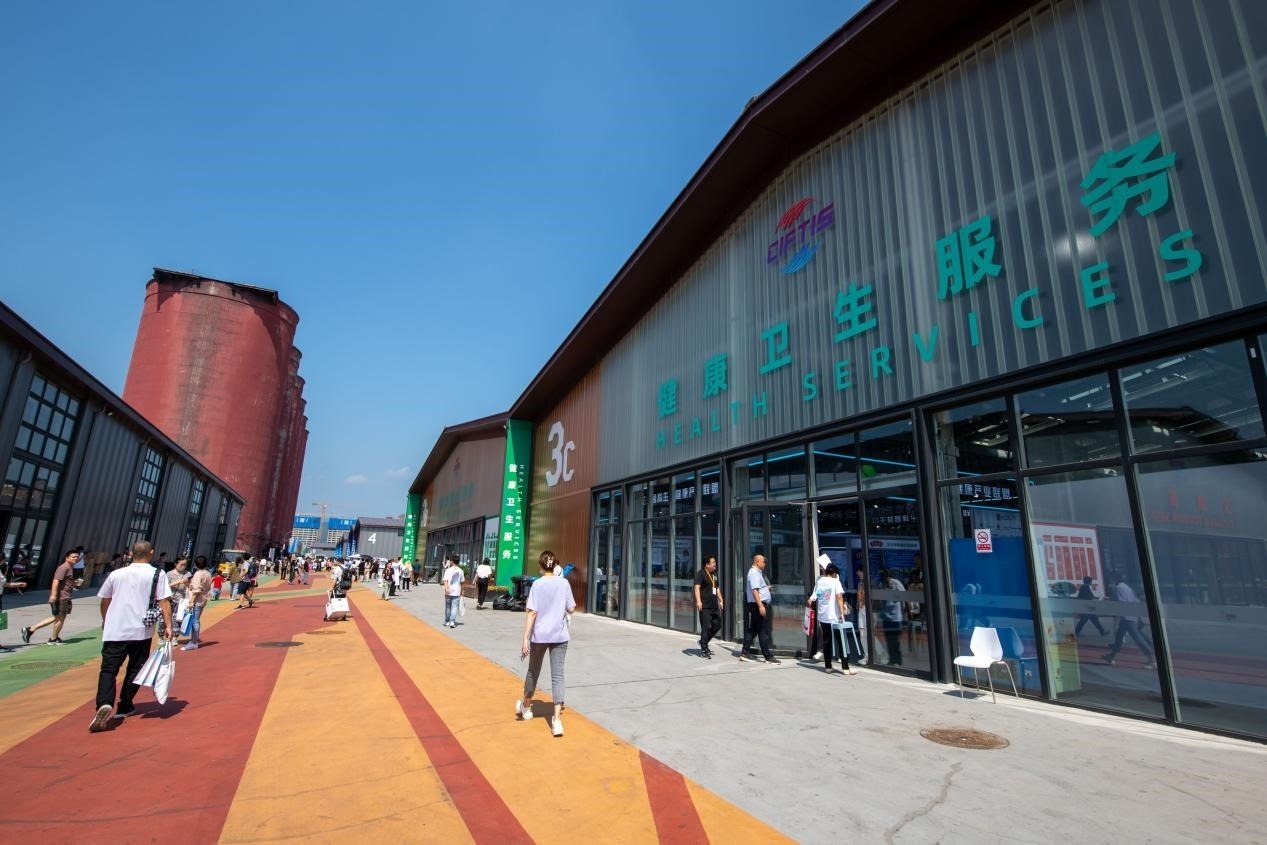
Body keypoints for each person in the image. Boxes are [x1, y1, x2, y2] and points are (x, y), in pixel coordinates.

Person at [91, 540, 173, 731]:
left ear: (130, 553)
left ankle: (104, 703)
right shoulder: (157, 574)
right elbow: (164, 601)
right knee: (135, 668)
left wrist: (106, 620)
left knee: (108, 670)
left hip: (115, 630)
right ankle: (125, 704)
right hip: (141, 631)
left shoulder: (116, 574)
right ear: (151, 553)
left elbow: (105, 601)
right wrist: (168, 626)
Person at [516, 550, 576, 737]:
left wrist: (525, 638)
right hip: (560, 635)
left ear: (541, 566)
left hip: (540, 635)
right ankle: (556, 721)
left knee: (533, 671)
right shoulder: (564, 583)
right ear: (555, 564)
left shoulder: (537, 584)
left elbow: (532, 612)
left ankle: (527, 707)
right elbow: (571, 608)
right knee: (558, 675)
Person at [21, 549, 82, 645]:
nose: (76, 558)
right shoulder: (64, 568)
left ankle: (43, 634)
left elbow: (64, 582)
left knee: (57, 617)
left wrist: (74, 583)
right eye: (73, 557)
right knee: (60, 618)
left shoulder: (69, 567)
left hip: (65, 596)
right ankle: (50, 638)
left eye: (77, 557)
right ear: (67, 558)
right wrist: (53, 595)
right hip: (62, 597)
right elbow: (56, 581)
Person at [810, 563, 856, 675]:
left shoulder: (820, 581)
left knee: (827, 640)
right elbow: (839, 597)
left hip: (823, 616)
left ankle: (828, 666)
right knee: (841, 641)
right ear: (835, 573)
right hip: (834, 616)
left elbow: (815, 595)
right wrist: (842, 613)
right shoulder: (835, 582)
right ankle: (845, 667)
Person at [1102, 572, 1155, 668]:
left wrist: (1109, 601)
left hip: (1126, 618)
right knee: (1119, 636)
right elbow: (1135, 600)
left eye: (1112, 578)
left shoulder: (1119, 588)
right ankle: (1111, 656)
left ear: (1115, 578)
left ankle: (1151, 660)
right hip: (1129, 616)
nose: (1111, 580)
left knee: (1137, 638)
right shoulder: (1126, 587)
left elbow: (1121, 602)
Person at [740, 554, 779, 664]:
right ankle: (768, 656)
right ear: (757, 562)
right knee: (763, 630)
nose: (764, 564)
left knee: (752, 630)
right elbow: (754, 590)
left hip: (756, 604)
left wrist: (766, 589)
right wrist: (761, 606)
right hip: (758, 605)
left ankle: (745, 652)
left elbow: (758, 589)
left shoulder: (756, 573)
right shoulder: (754, 573)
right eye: (763, 562)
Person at [693, 554, 723, 658]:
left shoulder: (714, 574)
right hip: (705, 605)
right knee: (705, 627)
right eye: (713, 562)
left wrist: (721, 600)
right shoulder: (701, 574)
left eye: (715, 562)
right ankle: (704, 649)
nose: (715, 564)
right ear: (707, 564)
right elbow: (697, 588)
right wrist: (698, 601)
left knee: (717, 625)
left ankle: (703, 641)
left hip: (714, 605)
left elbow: (716, 588)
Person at [182, 556, 213, 650]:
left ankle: (193, 641)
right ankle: (194, 640)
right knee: (196, 620)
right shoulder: (208, 573)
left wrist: (191, 601)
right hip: (203, 598)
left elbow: (196, 590)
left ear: (196, 564)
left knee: (194, 621)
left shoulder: (198, 574)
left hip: (197, 599)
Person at [877, 569, 906, 667]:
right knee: (889, 640)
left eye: (884, 576)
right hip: (886, 617)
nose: (883, 578)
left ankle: (898, 661)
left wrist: (905, 612)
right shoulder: (882, 585)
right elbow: (881, 601)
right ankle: (892, 660)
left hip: (895, 617)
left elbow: (904, 596)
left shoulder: (896, 583)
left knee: (895, 641)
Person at [441, 555, 464, 628]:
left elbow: (445, 581)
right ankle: (452, 622)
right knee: (454, 607)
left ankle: (447, 621)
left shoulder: (448, 570)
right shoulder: (461, 571)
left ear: (452, 561)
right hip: (456, 591)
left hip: (448, 591)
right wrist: (462, 591)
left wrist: (446, 589)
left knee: (448, 607)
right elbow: (462, 582)